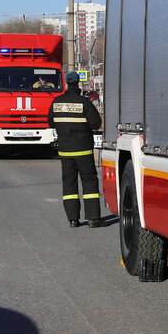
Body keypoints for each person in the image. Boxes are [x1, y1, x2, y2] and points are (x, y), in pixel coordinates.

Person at [48, 71, 103, 228]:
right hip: (83, 150)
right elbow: (96, 124)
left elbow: (50, 122)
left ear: (66, 83)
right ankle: (93, 219)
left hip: (65, 152)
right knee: (89, 182)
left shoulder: (56, 102)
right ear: (78, 83)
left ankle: (73, 219)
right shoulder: (84, 103)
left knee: (69, 184)